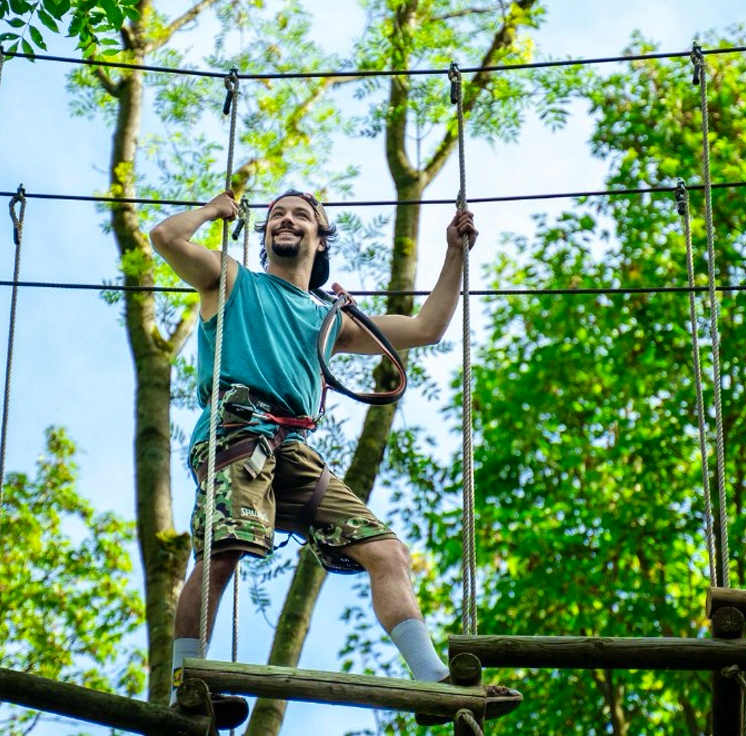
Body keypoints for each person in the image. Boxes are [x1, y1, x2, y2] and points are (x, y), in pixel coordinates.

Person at [150, 189, 511, 728]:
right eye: (276, 216)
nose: (286, 221)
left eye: (300, 216)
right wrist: (214, 211)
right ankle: (186, 684)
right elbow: (165, 238)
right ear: (266, 235)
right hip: (237, 431)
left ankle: (432, 675)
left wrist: (455, 253)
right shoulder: (232, 280)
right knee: (224, 550)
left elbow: (425, 329)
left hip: (292, 449)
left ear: (320, 240)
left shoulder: (330, 318)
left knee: (387, 553)